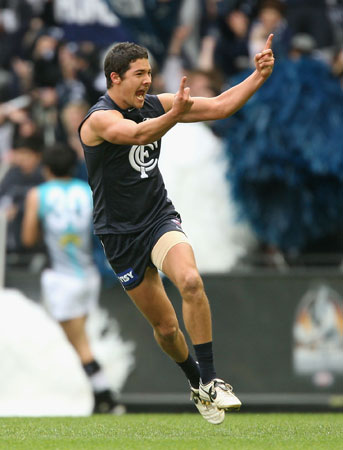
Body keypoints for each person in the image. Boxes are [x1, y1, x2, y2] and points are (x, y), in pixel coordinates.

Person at [78, 37, 274, 424]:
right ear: (114, 78)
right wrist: (174, 115)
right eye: (139, 74)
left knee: (190, 281)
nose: (148, 80)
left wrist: (259, 75)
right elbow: (137, 135)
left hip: (158, 219)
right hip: (119, 236)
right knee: (166, 329)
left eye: (149, 72)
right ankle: (196, 383)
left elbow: (220, 106)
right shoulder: (99, 119)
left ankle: (213, 379)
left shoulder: (156, 104)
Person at [21, 144, 124, 414]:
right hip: (87, 273)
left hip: (61, 277)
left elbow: (28, 238)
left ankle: (106, 397)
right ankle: (102, 395)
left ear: (46, 169)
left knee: (79, 344)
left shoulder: (38, 195)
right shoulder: (87, 192)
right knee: (81, 340)